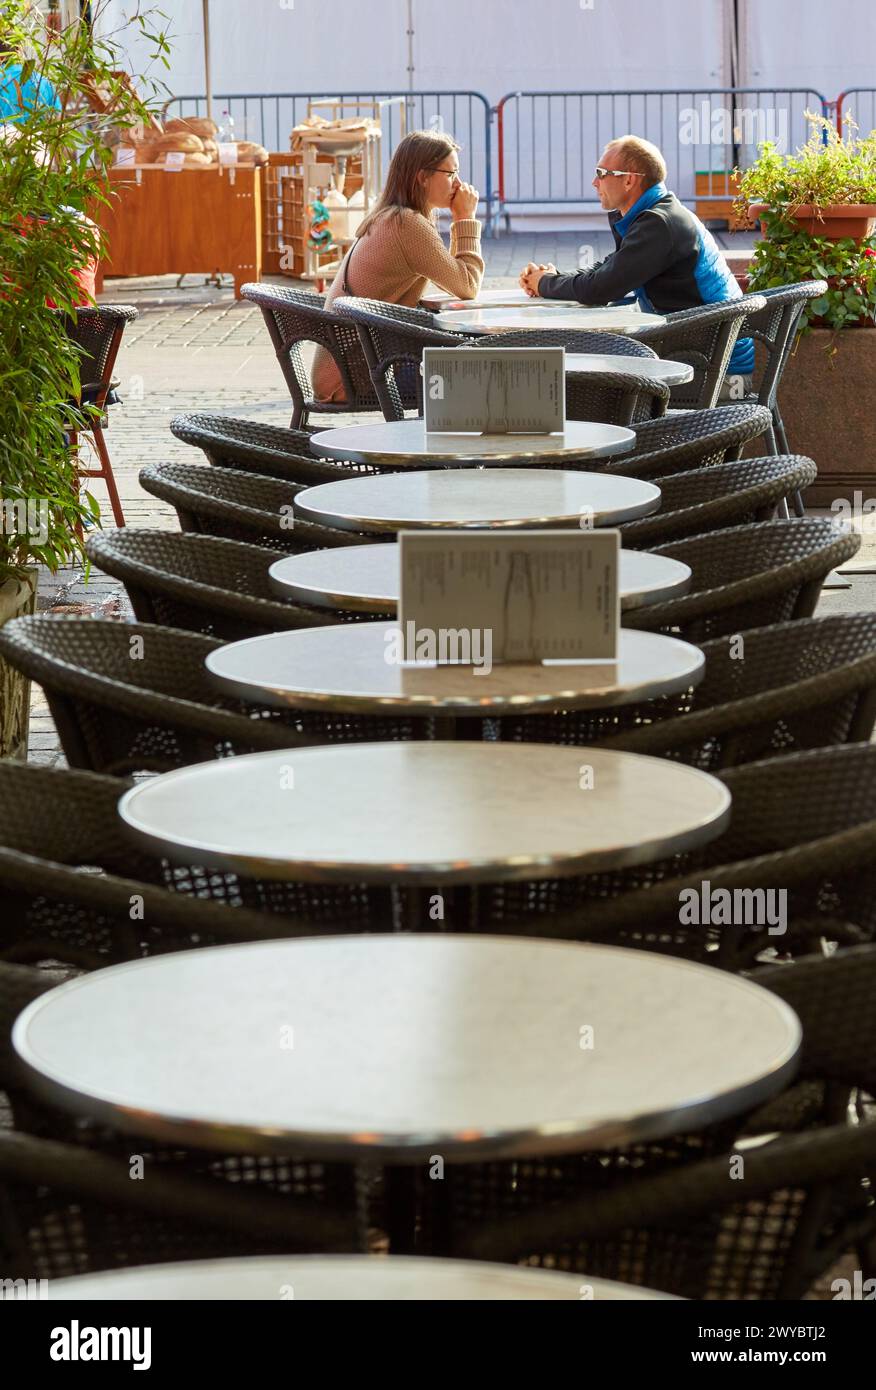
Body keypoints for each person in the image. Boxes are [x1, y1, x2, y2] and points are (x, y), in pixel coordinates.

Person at [518, 135, 754, 390]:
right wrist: (553, 277)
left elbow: (600, 289)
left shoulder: (659, 223)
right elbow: (610, 269)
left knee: (586, 374)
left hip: (713, 367)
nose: (594, 182)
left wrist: (545, 284)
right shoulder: (656, 214)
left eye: (602, 173)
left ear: (629, 179)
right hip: (700, 347)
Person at [312, 130, 483, 404]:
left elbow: (451, 280)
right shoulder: (407, 225)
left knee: (464, 365)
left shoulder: (390, 216)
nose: (459, 183)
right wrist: (465, 218)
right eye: (450, 174)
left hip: (345, 372)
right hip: (358, 380)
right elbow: (467, 285)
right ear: (422, 177)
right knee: (475, 376)